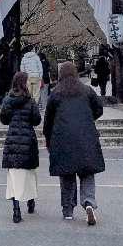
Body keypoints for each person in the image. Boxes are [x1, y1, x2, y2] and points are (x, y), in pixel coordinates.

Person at [43, 62, 105, 225]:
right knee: (87, 173)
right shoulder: (86, 90)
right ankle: (89, 203)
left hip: (63, 140)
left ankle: (68, 210)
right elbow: (99, 108)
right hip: (86, 137)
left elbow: (48, 120)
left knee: (67, 176)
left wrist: (48, 140)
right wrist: (87, 118)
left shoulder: (55, 93)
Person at [0, 71, 41, 223]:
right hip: (27, 140)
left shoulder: (7, 100)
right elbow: (36, 120)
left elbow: (4, 119)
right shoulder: (30, 101)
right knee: (29, 173)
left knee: (13, 177)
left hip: (12, 139)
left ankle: (16, 209)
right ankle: (30, 201)